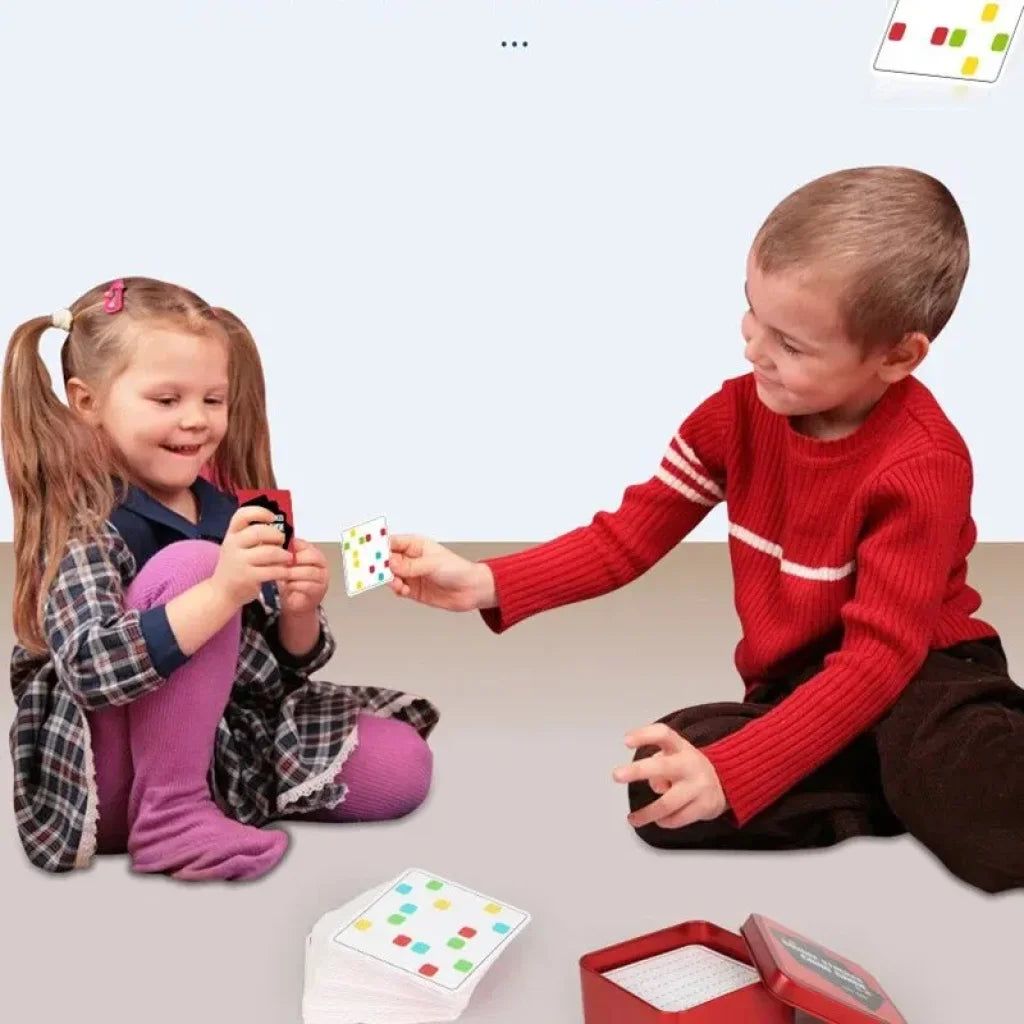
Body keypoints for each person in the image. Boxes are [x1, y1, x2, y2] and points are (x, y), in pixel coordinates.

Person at [383, 166, 1024, 895]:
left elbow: (879, 660)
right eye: (752, 313)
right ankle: (884, 782)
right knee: (663, 790)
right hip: (799, 682)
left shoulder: (923, 464)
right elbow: (627, 537)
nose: (754, 349)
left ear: (897, 357)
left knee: (970, 800)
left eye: (792, 345)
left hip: (921, 673)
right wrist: (485, 582)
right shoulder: (734, 416)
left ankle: (938, 771)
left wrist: (743, 770)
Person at [3, 277, 438, 881]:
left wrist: (298, 611)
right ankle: (171, 817)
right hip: (107, 769)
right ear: (87, 401)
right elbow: (89, 669)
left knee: (403, 765)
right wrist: (219, 590)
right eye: (166, 400)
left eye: (213, 399)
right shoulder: (84, 522)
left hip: (219, 744)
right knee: (196, 566)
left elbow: (279, 674)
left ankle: (209, 803)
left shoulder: (232, 509)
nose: (196, 420)